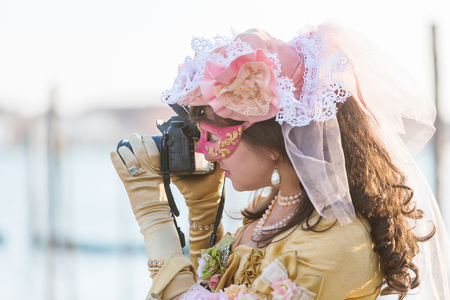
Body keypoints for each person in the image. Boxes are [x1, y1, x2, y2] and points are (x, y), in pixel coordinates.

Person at [110, 20, 450, 300]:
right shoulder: (272, 211)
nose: (204, 151)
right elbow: (207, 291)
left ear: (273, 141)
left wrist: (153, 216)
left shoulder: (336, 240)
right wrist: (203, 209)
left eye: (213, 137)